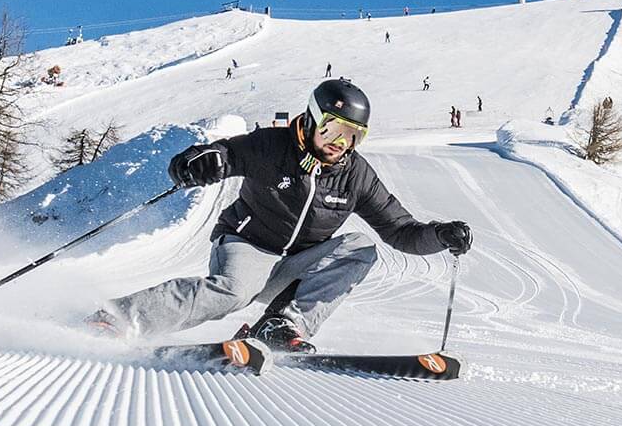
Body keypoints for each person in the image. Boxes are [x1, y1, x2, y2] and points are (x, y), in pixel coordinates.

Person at [89, 78, 474, 351]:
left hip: (297, 265)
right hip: (248, 245)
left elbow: (400, 231)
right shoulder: (273, 146)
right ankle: (118, 317)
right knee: (233, 293)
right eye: (334, 129)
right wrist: (199, 162)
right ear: (311, 119)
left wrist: (439, 236)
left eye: (354, 136)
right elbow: (225, 154)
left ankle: (283, 325)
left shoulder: (356, 175)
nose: (342, 144)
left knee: (361, 247)